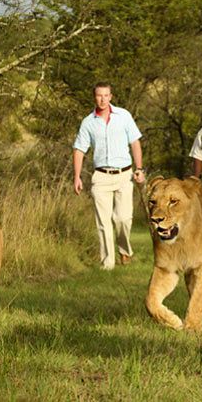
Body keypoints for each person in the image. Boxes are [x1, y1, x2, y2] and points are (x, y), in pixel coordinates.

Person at [73, 82, 146, 271]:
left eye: (106, 95)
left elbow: (135, 143)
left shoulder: (124, 116)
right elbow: (79, 150)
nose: (102, 99)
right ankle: (108, 263)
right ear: (94, 97)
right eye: (99, 95)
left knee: (123, 218)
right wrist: (77, 176)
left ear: (111, 96)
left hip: (124, 174)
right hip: (101, 177)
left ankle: (125, 250)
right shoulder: (88, 122)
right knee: (103, 221)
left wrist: (139, 168)